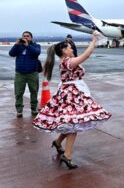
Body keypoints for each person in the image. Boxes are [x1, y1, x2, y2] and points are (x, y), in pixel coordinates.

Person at [32, 31, 111, 169]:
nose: (72, 49)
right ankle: (67, 155)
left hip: (72, 93)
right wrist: (93, 41)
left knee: (71, 123)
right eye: (69, 47)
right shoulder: (68, 62)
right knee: (73, 124)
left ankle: (58, 142)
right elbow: (86, 55)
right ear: (63, 51)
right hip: (71, 95)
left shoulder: (66, 61)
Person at [9, 31, 41, 117]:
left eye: (28, 36)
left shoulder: (36, 45)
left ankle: (34, 109)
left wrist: (27, 45)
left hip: (32, 73)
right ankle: (19, 111)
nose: (26, 38)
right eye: (24, 36)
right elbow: (11, 54)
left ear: (31, 37)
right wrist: (16, 44)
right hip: (20, 74)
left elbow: (37, 52)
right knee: (18, 93)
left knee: (34, 91)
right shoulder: (19, 46)